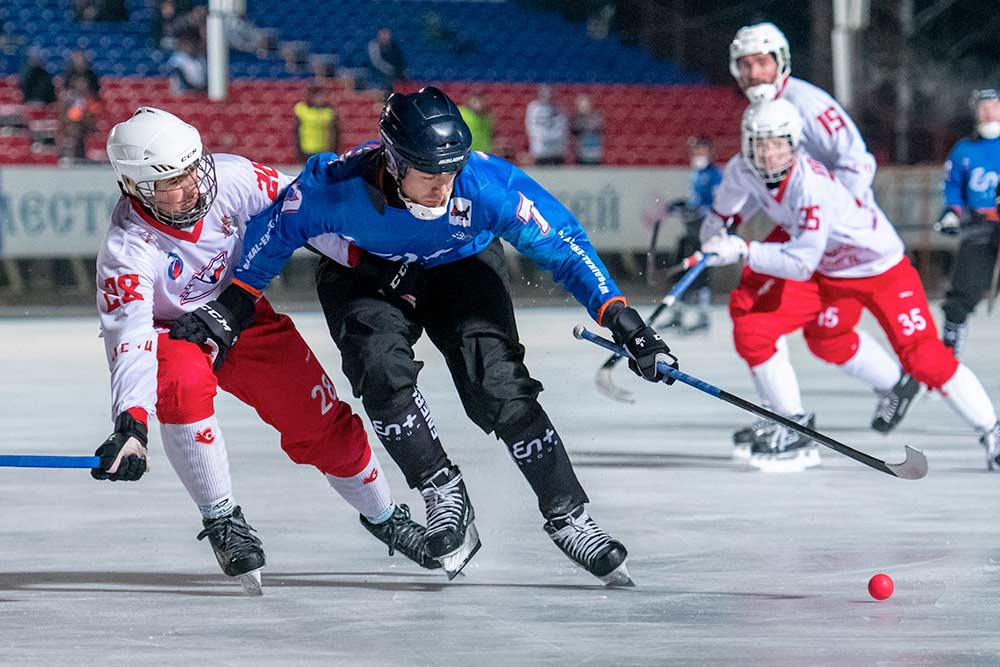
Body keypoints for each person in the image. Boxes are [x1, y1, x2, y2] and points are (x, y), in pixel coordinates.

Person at [170, 87, 678, 586]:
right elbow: (276, 231)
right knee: (379, 371)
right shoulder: (336, 185)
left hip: (463, 267)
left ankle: (570, 516)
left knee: (500, 385)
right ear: (393, 163)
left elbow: (565, 247)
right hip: (365, 274)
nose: (444, 186)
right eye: (430, 174)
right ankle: (441, 487)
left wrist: (623, 321)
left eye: (451, 171)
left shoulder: (485, 185)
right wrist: (232, 305)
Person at [93, 107, 437, 595]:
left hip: (238, 311)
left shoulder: (232, 177)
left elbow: (304, 213)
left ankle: (384, 515)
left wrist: (372, 267)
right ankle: (222, 518)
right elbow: (128, 335)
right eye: (171, 182)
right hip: (173, 331)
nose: (192, 187)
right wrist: (132, 423)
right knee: (183, 385)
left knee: (319, 418)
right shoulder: (127, 251)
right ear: (133, 188)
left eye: (194, 168)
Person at [702, 100, 1000, 470]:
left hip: (878, 270)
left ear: (794, 143)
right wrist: (711, 237)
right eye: (759, 143)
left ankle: (992, 430)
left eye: (777, 143)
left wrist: (742, 249)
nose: (767, 153)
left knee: (923, 355)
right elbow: (722, 214)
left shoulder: (811, 187)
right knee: (769, 331)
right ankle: (796, 422)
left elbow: (799, 262)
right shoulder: (742, 170)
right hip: (828, 271)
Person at [709, 21, 917, 466]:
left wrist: (828, 222)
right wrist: (731, 218)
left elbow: (857, 162)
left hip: (825, 233)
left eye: (762, 62)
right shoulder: (764, 110)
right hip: (805, 225)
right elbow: (761, 176)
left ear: (781, 62)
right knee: (791, 321)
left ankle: (792, 421)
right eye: (745, 66)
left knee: (758, 320)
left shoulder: (807, 104)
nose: (754, 74)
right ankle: (878, 387)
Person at [934, 88, 1000, 357]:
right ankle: (948, 351)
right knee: (963, 291)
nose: (987, 112)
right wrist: (951, 211)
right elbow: (953, 186)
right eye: (982, 107)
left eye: (993, 106)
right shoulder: (964, 150)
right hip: (980, 226)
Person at [660, 137, 721, 334]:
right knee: (681, 267)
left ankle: (703, 316)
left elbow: (718, 204)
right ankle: (678, 312)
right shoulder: (697, 174)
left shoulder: (714, 176)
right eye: (696, 153)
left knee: (700, 272)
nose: (699, 156)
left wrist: (698, 211)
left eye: (702, 152)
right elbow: (696, 202)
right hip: (693, 230)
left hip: (706, 232)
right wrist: (682, 205)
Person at [293, 85, 339, 162]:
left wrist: (333, 148)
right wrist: (298, 148)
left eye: (321, 96)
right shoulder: (302, 109)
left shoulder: (329, 111)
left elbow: (335, 132)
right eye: (317, 97)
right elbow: (296, 130)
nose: (320, 99)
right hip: (307, 148)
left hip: (324, 148)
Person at [525, 85, 568, 165]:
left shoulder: (559, 108)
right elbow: (532, 127)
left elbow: (562, 127)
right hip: (541, 150)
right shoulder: (533, 108)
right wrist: (545, 137)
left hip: (557, 151)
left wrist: (553, 137)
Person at [367, 28, 407, 97]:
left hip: (394, 73)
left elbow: (401, 61)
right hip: (380, 74)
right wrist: (389, 70)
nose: (385, 36)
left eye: (387, 34)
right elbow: (377, 62)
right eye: (383, 34)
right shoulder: (374, 46)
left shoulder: (394, 46)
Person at [570, 94, 603, 165]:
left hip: (595, 153)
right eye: (581, 104)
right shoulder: (575, 119)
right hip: (581, 154)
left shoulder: (596, 117)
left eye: (585, 104)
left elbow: (598, 128)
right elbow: (573, 134)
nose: (584, 107)